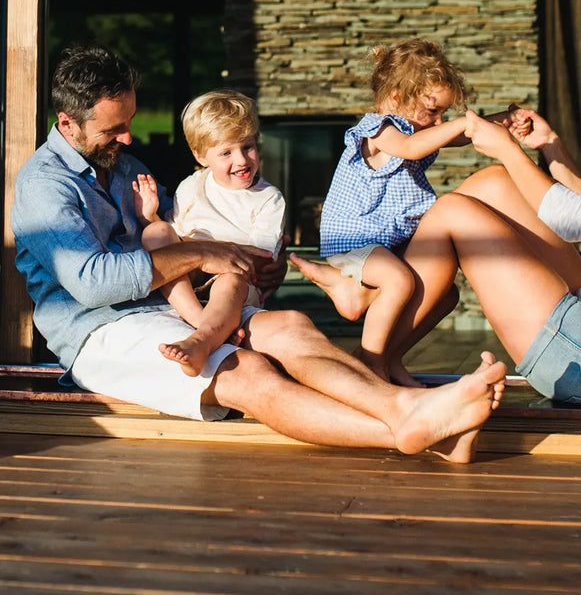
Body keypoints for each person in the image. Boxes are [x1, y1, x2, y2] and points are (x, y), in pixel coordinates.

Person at [11, 42, 507, 463]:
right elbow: (96, 283)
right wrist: (208, 253)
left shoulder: (119, 163)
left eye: (130, 122)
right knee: (246, 371)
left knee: (291, 326)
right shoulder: (43, 186)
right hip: (102, 329)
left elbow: (179, 225)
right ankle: (414, 428)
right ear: (67, 123)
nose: (129, 137)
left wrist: (249, 264)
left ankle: (415, 413)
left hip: (171, 307)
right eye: (114, 129)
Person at [294, 13, 581, 423]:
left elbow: (577, 219)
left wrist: (507, 146)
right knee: (491, 183)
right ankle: (386, 322)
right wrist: (550, 146)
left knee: (452, 211)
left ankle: (370, 355)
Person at [290, 38, 527, 385]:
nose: (439, 121)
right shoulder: (379, 129)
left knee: (446, 295)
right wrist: (463, 123)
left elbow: (459, 136)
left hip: (386, 241)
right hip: (356, 239)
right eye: (432, 111)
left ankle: (390, 357)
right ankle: (369, 364)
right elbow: (412, 149)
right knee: (399, 282)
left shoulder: (418, 127)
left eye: (443, 113)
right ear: (398, 97)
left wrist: (500, 121)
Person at [133, 90, 286, 377]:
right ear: (201, 156)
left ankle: (201, 342)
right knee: (155, 232)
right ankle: (199, 319)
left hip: (234, 280)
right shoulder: (192, 186)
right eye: (226, 152)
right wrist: (149, 215)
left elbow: (258, 259)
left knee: (229, 281)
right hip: (190, 278)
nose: (241, 160)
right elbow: (173, 240)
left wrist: (201, 252)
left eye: (248, 147)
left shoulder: (268, 198)